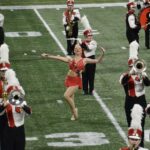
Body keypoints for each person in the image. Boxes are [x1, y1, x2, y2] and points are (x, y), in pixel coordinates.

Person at [41, 43, 105, 120]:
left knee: (66, 96)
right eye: (75, 48)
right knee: (71, 98)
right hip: (69, 79)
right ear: (74, 50)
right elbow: (59, 58)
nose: (77, 49)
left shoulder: (85, 60)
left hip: (76, 81)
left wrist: (103, 53)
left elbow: (97, 61)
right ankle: (73, 114)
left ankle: (75, 110)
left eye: (79, 48)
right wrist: (48, 56)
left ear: (82, 50)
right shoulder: (70, 59)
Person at [119, 58, 150, 147]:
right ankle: (131, 146)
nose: (133, 68)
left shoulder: (143, 74)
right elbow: (122, 82)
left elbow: (148, 84)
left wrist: (143, 76)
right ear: (129, 66)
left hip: (141, 100)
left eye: (134, 65)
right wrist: (129, 74)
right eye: (131, 66)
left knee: (141, 124)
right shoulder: (125, 75)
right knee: (130, 125)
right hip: (130, 100)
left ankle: (141, 146)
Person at [0, 64, 32, 150]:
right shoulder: (5, 100)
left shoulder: (22, 102)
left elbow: (29, 112)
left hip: (20, 130)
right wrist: (4, 105)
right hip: (9, 130)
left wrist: (23, 106)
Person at [81, 29, 97, 95]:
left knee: (91, 75)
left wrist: (81, 43)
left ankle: (91, 90)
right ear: (85, 36)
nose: (90, 37)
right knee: (84, 75)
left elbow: (88, 49)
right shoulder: (83, 42)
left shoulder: (93, 42)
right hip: (84, 60)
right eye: (88, 35)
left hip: (91, 60)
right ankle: (85, 90)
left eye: (91, 35)